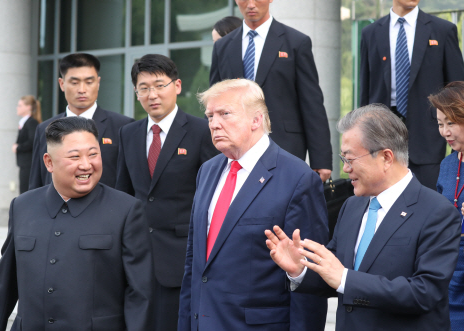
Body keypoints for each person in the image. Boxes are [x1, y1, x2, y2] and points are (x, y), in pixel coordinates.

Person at [265, 104, 462, 331]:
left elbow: (424, 293)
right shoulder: (352, 206)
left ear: (386, 157)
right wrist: (300, 270)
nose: (345, 169)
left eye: (349, 159)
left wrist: (346, 279)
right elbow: (335, 275)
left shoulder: (437, 211)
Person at [178, 79, 329, 331]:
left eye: (225, 114)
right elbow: (194, 262)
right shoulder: (207, 171)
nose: (214, 124)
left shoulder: (298, 178)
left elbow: (308, 279)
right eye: (210, 116)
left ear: (256, 120)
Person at [0, 117, 153, 331]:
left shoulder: (126, 210)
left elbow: (140, 294)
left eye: (93, 154)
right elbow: (3, 286)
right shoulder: (22, 206)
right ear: (49, 162)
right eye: (74, 156)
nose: (86, 165)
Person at [115, 54, 219, 331]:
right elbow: (122, 193)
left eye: (160, 85)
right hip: (135, 255)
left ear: (177, 86)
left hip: (181, 256)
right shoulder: (128, 133)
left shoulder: (201, 131)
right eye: (144, 87)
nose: (152, 94)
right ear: (136, 93)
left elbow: (211, 197)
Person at [210, 0, 332, 182]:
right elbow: (214, 102)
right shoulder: (223, 46)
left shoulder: (296, 42)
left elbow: (312, 103)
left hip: (285, 145)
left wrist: (321, 158)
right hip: (235, 148)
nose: (251, 4)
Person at [359, 0, 464, 190]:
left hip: (429, 138)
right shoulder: (370, 33)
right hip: (383, 137)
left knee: (429, 206)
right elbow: (365, 92)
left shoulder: (443, 30)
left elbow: (458, 91)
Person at [29, 53, 133, 190]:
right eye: (74, 82)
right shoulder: (44, 129)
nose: (82, 90)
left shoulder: (123, 126)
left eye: (89, 82)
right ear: (62, 84)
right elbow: (37, 183)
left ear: (98, 83)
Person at [429, 81, 464, 330]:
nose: (444, 132)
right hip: (449, 270)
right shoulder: (447, 165)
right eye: (441, 124)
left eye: (451, 123)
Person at [12, 95, 41, 194]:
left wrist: (18, 147)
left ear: (28, 107)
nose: (17, 107)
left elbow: (32, 141)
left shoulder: (31, 122)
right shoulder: (25, 122)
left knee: (26, 192)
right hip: (25, 163)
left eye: (20, 105)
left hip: (29, 163)